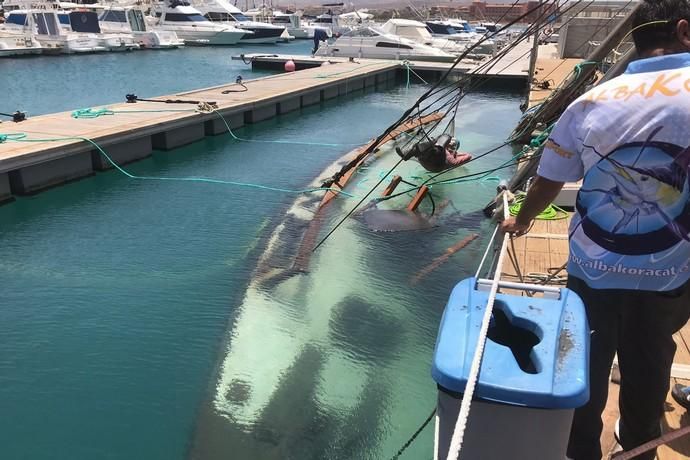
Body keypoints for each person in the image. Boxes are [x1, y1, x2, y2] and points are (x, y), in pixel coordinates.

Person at [500, 2, 690, 459]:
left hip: (592, 268)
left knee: (584, 358)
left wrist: (524, 219)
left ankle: (579, 449)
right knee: (648, 363)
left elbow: (550, 176)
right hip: (667, 273)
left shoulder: (591, 100)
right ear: (684, 31)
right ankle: (639, 445)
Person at [398, 134, 472, 172]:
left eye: (452, 146)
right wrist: (455, 153)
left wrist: (454, 153)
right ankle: (407, 154)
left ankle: (407, 154)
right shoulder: (449, 154)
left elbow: (469, 156)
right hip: (427, 161)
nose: (449, 147)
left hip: (436, 164)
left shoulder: (451, 159)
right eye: (449, 145)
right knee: (422, 146)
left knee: (446, 136)